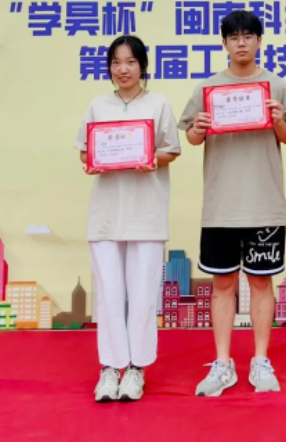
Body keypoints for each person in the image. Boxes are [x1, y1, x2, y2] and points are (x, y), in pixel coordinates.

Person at [179, 10, 286, 395]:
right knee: (222, 284)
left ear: (259, 41)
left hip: (264, 202)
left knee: (261, 283)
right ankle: (222, 363)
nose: (242, 43)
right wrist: (198, 130)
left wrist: (278, 120)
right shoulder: (207, 88)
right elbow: (191, 137)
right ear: (224, 43)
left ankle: (261, 360)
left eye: (249, 36)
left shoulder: (276, 85)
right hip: (222, 203)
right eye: (234, 37)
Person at [75, 35, 181, 402]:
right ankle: (109, 367)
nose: (123, 69)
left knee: (142, 295)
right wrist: (92, 161)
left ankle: (136, 368)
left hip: (146, 213)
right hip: (106, 215)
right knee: (108, 295)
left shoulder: (158, 103)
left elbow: (171, 150)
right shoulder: (98, 105)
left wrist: (150, 159)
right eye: (116, 62)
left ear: (142, 66)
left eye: (131, 62)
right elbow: (85, 152)